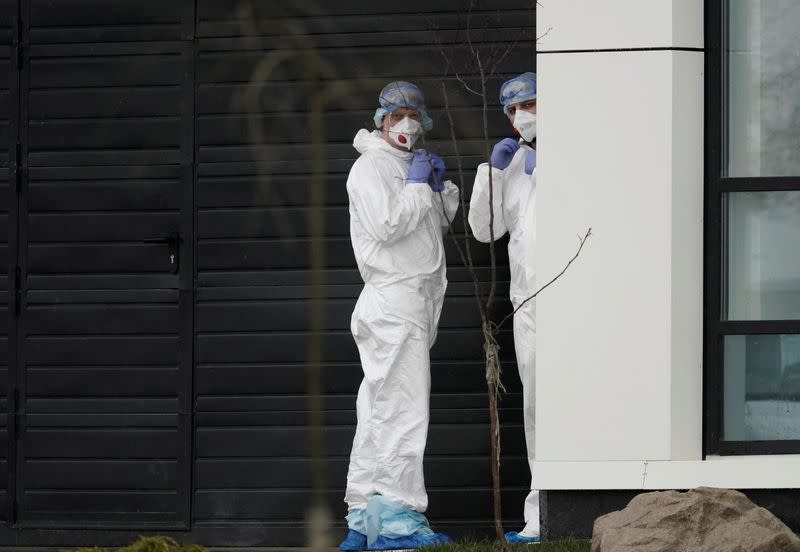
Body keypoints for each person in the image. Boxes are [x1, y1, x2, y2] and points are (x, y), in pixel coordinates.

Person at [339, 81, 460, 551]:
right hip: (393, 301)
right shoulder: (371, 167)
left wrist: (437, 190)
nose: (405, 123)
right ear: (381, 120)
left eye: (413, 114)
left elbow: (431, 230)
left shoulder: (407, 165)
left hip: (409, 302)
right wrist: (414, 186)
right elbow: (388, 226)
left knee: (376, 411)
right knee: (404, 410)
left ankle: (363, 516)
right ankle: (397, 521)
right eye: (396, 115)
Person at [467, 72, 540, 545]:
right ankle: (539, 515)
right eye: (512, 110)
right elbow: (482, 229)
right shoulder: (505, 165)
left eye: (529, 104)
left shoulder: (585, 147)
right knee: (536, 406)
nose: (521, 116)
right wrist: (494, 173)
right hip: (530, 301)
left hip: (580, 297)